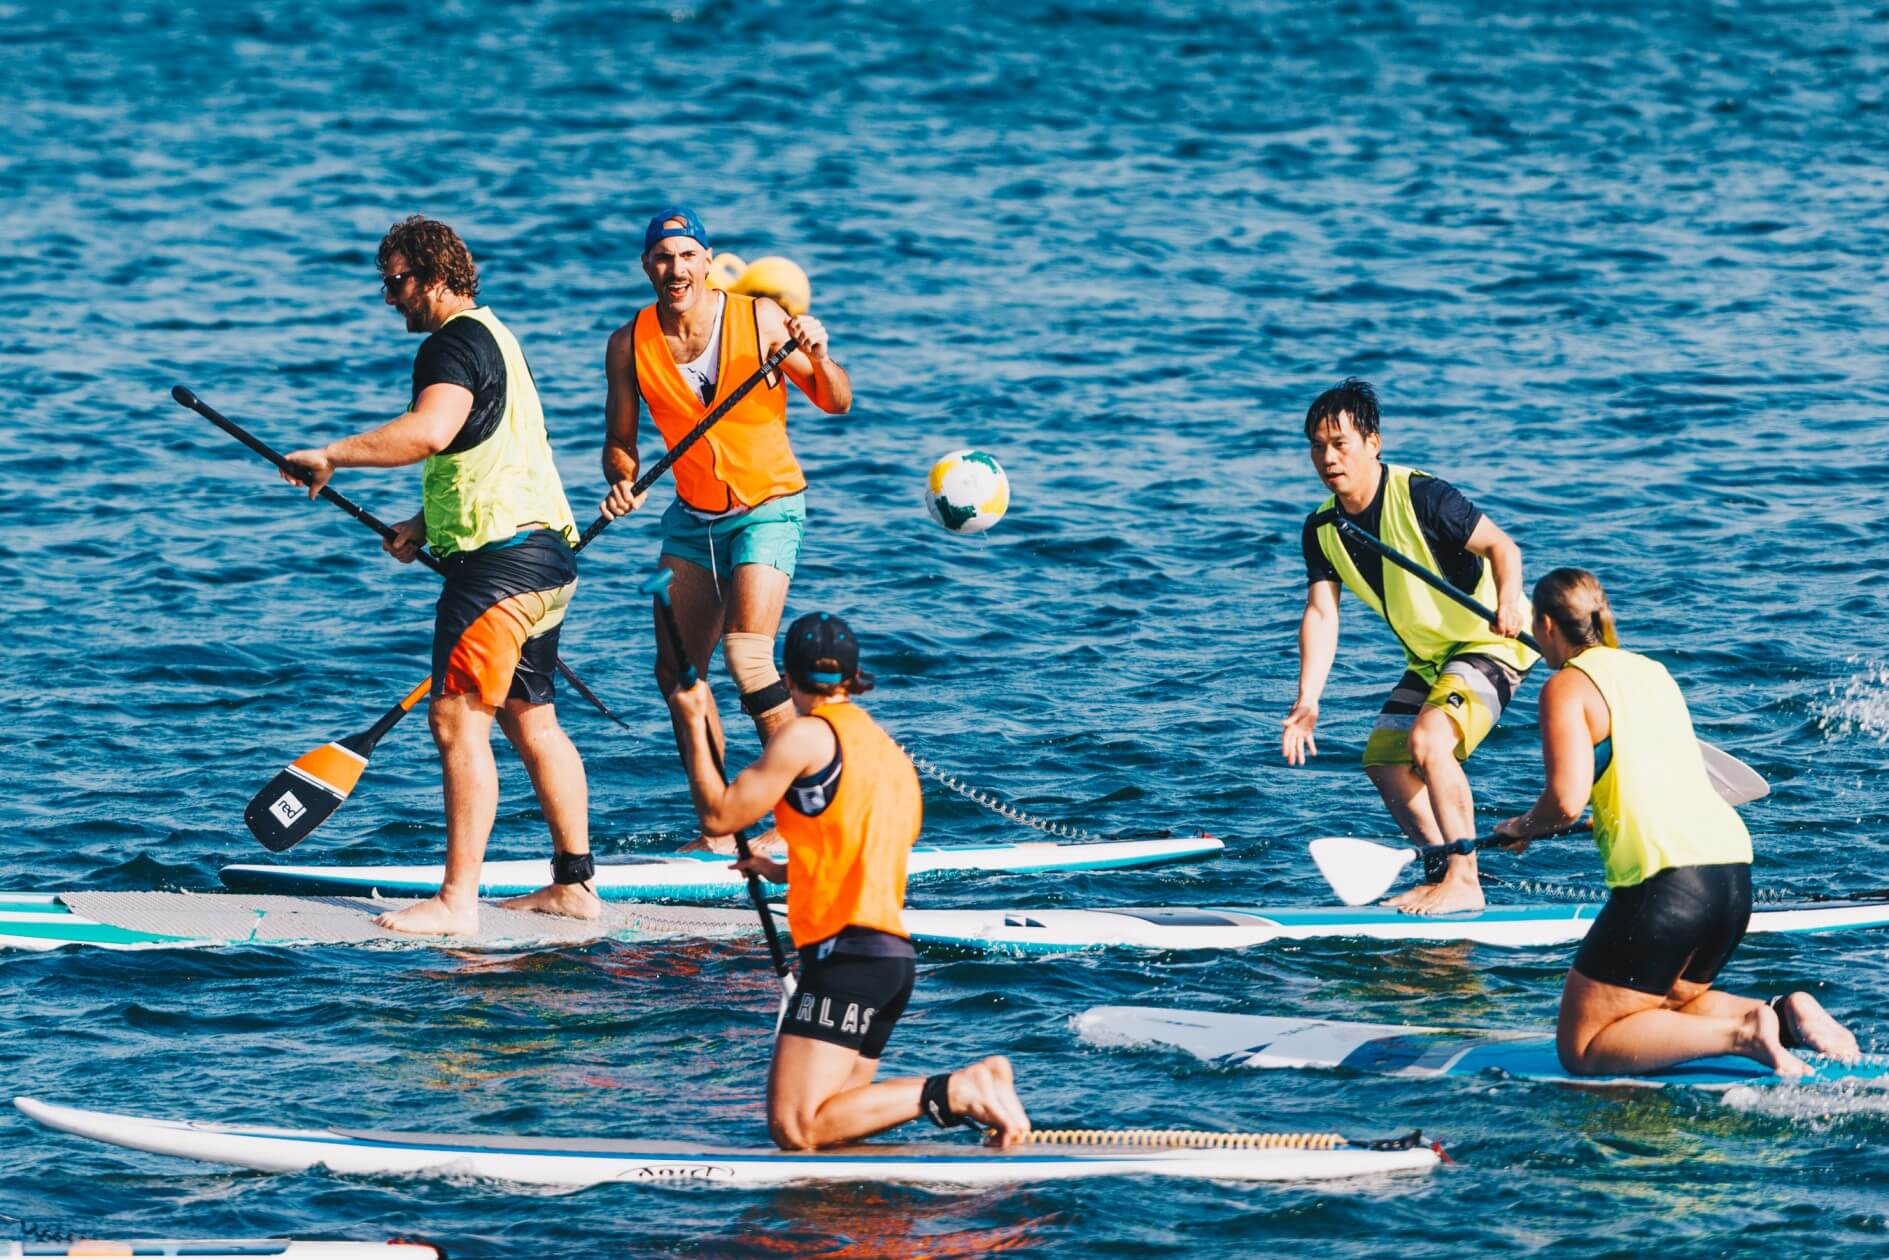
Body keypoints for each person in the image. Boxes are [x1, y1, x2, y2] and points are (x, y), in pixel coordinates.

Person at [282, 216, 597, 935]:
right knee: (532, 722)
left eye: (395, 282)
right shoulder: (497, 337)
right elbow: (492, 445)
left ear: (432, 275)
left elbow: (430, 430)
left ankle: (457, 903)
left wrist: (332, 453)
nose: (389, 298)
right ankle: (574, 886)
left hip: (497, 571)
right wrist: (426, 525)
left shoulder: (450, 343)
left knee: (458, 720)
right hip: (544, 559)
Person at [666, 611, 1031, 1149]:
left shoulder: (807, 737)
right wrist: (780, 871)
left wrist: (694, 721)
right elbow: (860, 854)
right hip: (888, 961)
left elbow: (720, 818)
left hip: (847, 960)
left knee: (797, 1126)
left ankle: (958, 1090)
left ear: (787, 679)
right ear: (854, 678)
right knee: (833, 1127)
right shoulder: (888, 755)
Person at [1495, 568, 1857, 1077]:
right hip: (1731, 871)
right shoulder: (1652, 673)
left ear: (1548, 624)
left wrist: (1521, 827)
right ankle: (1786, 1016)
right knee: (1657, 1008)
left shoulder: (1566, 687)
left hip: (1668, 882)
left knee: (1581, 1049)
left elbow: (1566, 802)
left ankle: (1745, 1032)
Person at [600, 207, 852, 853]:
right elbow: (618, 442)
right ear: (646, 267)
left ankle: (806, 819)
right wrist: (623, 478)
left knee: (747, 654)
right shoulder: (629, 342)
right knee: (678, 675)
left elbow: (836, 401)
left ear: (708, 262)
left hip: (768, 505)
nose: (675, 269)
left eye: (687, 256)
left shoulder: (760, 318)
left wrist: (818, 356)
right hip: (691, 518)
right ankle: (722, 826)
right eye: (662, 257)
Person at [1283, 378, 1537, 915]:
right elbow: (1322, 613)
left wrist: (1511, 599)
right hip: (1432, 657)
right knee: (1385, 758)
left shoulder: (1423, 495)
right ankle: (1443, 868)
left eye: (1339, 443)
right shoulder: (1323, 528)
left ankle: (1465, 879)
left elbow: (1501, 546)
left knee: (1428, 741)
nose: (1327, 458)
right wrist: (1308, 700)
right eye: (1316, 446)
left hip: (1492, 642)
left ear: (1373, 442)